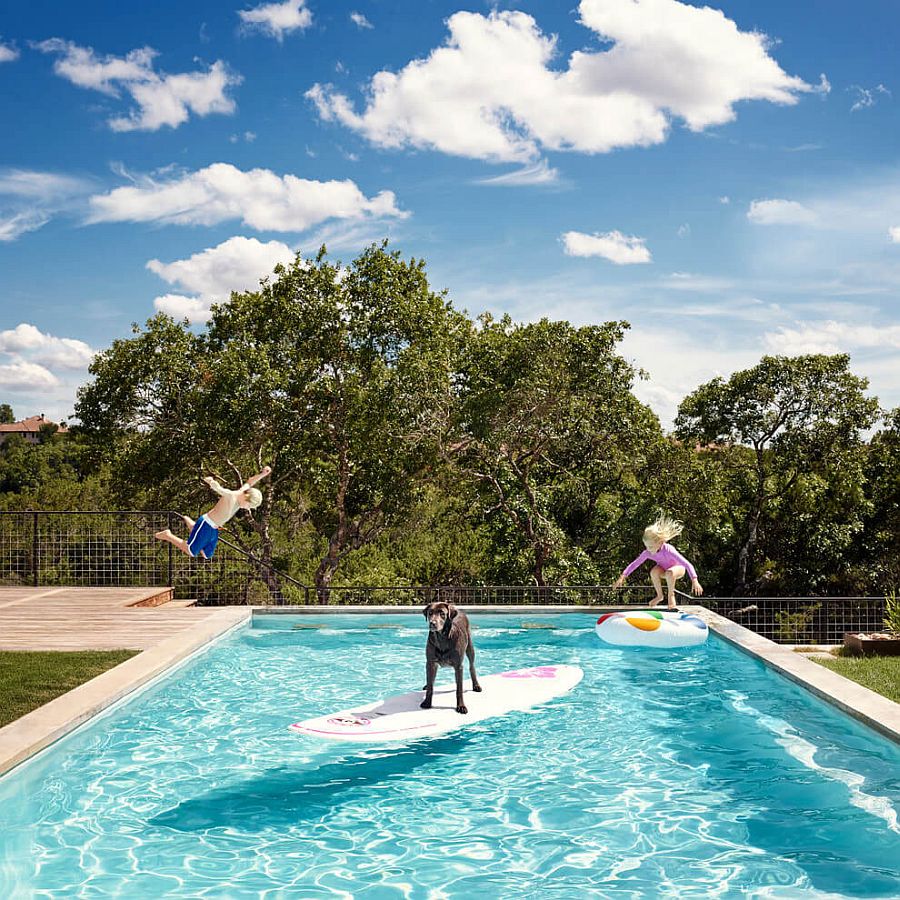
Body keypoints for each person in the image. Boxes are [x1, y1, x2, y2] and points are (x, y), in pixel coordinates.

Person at [154, 465, 272, 559]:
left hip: (214, 528)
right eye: (249, 505)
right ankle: (168, 535)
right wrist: (211, 481)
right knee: (191, 551)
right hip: (206, 524)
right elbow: (220, 489)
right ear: (246, 497)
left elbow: (250, 482)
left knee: (206, 554)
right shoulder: (232, 496)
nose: (247, 508)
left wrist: (262, 474)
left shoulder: (244, 491)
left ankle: (193, 526)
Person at [613, 514, 703, 610]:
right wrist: (622, 576)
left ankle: (670, 595)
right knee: (654, 571)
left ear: (659, 543)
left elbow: (686, 564)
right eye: (646, 546)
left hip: (678, 569)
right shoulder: (648, 552)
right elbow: (635, 564)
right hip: (663, 569)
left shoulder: (669, 549)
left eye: (650, 547)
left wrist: (694, 580)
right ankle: (660, 596)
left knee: (670, 572)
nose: (648, 549)